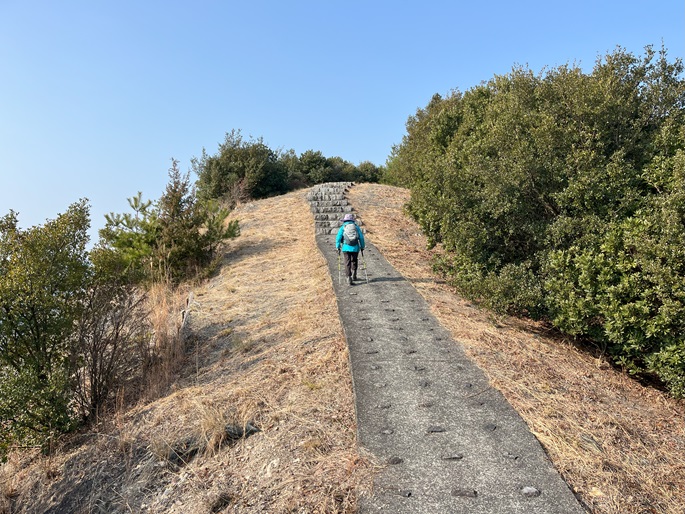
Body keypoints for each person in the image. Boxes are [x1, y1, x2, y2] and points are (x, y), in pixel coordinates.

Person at [336, 213, 365, 285]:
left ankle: (348, 277)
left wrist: (338, 246)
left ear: (345, 220)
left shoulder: (343, 227)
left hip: (346, 247)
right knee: (354, 260)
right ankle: (354, 273)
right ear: (352, 220)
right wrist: (362, 246)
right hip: (355, 247)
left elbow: (338, 237)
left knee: (347, 262)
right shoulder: (356, 227)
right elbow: (361, 238)